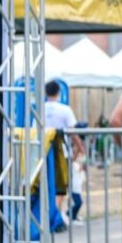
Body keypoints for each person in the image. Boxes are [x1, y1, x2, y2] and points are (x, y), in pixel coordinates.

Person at [44, 80, 85, 218]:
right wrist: (81, 148)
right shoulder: (65, 110)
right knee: (60, 187)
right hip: (61, 151)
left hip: (44, 151)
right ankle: (55, 216)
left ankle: (52, 215)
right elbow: (72, 132)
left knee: (47, 185)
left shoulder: (40, 109)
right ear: (58, 92)